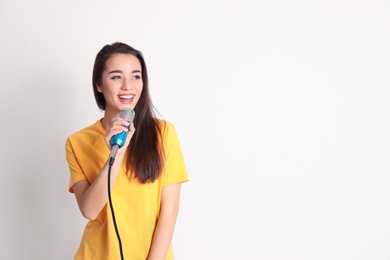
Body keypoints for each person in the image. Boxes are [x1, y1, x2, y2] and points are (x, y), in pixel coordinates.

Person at [65, 42, 188, 260]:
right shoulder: (77, 142)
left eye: (135, 76)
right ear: (99, 85)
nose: (127, 86)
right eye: (116, 77)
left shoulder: (164, 133)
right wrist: (117, 152)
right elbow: (90, 210)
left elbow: (169, 212)